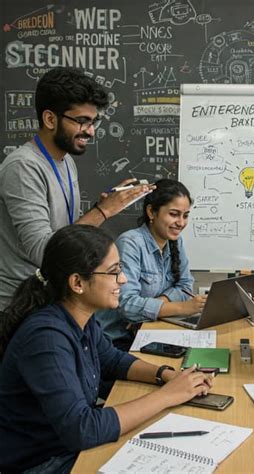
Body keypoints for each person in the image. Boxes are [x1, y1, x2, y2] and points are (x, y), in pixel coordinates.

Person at [0, 225, 213, 473]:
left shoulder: (81, 317)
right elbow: (82, 429)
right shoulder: (46, 338)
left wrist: (166, 375)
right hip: (43, 460)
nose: (123, 279)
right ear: (77, 283)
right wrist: (167, 396)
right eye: (114, 272)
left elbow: (113, 360)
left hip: (66, 445)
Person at [0, 67, 154, 310]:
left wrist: (101, 207)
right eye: (82, 121)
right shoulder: (23, 167)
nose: (90, 131)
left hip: (51, 297)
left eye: (93, 122)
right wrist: (102, 212)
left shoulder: (66, 161)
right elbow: (44, 251)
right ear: (50, 119)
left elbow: (67, 233)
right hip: (19, 307)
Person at [95, 179, 206, 350]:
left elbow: (185, 285)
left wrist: (159, 303)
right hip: (118, 340)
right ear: (151, 212)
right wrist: (182, 308)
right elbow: (127, 305)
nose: (181, 223)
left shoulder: (176, 242)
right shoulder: (130, 243)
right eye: (174, 214)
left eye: (185, 215)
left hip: (149, 329)